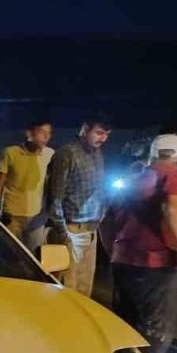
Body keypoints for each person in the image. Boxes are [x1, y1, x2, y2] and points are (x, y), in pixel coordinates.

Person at [101, 134, 177, 353]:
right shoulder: (174, 179)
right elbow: (172, 210)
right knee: (155, 329)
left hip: (123, 261)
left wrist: (113, 251)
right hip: (157, 264)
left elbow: (105, 221)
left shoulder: (129, 180)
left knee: (125, 322)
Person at [46, 116, 113, 297]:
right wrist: (63, 233)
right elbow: (55, 197)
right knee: (66, 288)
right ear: (85, 130)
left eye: (107, 134)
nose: (103, 138)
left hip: (91, 230)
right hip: (71, 229)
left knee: (84, 288)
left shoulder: (97, 155)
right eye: (99, 133)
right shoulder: (66, 154)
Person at [0, 120, 54, 250]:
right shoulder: (11, 152)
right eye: (42, 132)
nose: (46, 137)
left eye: (49, 133)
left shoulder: (49, 154)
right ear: (29, 133)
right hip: (12, 216)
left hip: (37, 216)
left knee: (34, 257)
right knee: (10, 254)